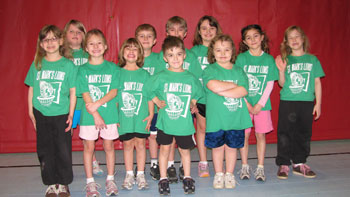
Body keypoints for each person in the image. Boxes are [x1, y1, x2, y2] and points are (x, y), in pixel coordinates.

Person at [146, 36, 203, 195]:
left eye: (179, 54)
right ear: (165, 58)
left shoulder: (190, 77)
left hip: (184, 123)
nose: (175, 58)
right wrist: (157, 101)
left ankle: (187, 177)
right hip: (166, 122)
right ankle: (163, 179)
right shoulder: (161, 76)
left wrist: (193, 103)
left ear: (184, 55)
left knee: (185, 151)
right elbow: (148, 89)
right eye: (171, 55)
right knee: (164, 150)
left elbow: (198, 92)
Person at [25, 24, 76, 197]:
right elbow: (31, 88)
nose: (50, 43)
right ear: (41, 44)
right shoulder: (37, 64)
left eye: (54, 38)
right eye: (45, 40)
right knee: (45, 150)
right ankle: (50, 183)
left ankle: (63, 183)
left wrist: (71, 113)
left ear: (61, 41)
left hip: (61, 112)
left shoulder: (68, 65)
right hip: (41, 112)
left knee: (62, 149)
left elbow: (73, 91)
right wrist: (31, 111)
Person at [275, 25, 324, 180]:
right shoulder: (285, 59)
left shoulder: (312, 59)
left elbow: (317, 83)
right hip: (288, 101)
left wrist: (318, 103)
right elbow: (282, 83)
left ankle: (299, 162)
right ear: (287, 42)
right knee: (285, 133)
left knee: (303, 133)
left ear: (303, 39)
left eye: (297, 36)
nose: (294, 40)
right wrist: (281, 70)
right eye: (291, 37)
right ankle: (283, 163)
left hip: (306, 102)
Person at [203, 34, 252, 189]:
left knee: (232, 148)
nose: (222, 53)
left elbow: (243, 91)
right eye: (218, 50)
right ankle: (218, 174)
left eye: (226, 50)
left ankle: (229, 174)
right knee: (217, 148)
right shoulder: (209, 69)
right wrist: (232, 86)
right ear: (212, 52)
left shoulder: (239, 70)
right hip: (216, 120)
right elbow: (212, 85)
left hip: (235, 119)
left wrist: (222, 89)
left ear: (233, 51)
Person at [159, 15, 203, 182]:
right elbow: (153, 84)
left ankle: (184, 170)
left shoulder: (191, 57)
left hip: (183, 109)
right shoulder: (161, 57)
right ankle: (169, 166)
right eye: (172, 30)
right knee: (166, 142)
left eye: (180, 30)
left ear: (185, 33)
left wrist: (193, 103)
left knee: (183, 143)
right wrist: (157, 101)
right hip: (166, 107)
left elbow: (196, 83)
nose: (176, 33)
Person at [77, 29, 119, 196]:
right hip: (89, 115)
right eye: (91, 44)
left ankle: (110, 179)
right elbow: (85, 93)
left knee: (109, 146)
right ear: (86, 48)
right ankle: (90, 182)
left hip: (108, 114)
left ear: (106, 46)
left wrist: (99, 105)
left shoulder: (113, 68)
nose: (96, 46)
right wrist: (95, 114)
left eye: (99, 43)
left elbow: (114, 91)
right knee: (89, 146)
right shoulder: (82, 70)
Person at [236, 24, 278, 182]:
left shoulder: (268, 59)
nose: (252, 40)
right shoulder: (241, 59)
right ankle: (245, 165)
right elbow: (239, 83)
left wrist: (259, 104)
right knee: (244, 135)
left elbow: (269, 84)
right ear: (244, 42)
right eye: (248, 37)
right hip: (244, 104)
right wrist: (247, 104)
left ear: (262, 37)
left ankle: (260, 167)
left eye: (255, 36)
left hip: (262, 105)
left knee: (260, 135)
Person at [63, 19, 104, 176]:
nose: (75, 35)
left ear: (84, 36)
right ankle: (65, 162)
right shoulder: (62, 55)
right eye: (71, 31)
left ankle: (93, 161)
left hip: (87, 102)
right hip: (70, 103)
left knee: (89, 136)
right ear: (65, 35)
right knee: (67, 133)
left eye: (79, 32)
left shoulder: (89, 53)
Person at [117, 38, 154, 190]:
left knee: (140, 144)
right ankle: (129, 174)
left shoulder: (145, 75)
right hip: (124, 116)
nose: (131, 52)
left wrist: (151, 114)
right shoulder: (117, 73)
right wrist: (114, 117)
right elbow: (114, 97)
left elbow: (150, 96)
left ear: (139, 53)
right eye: (128, 48)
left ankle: (140, 173)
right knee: (127, 144)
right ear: (122, 52)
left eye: (134, 49)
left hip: (141, 115)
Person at [191, 15, 223, 178]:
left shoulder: (222, 49)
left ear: (217, 30)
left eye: (211, 28)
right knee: (202, 129)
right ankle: (203, 162)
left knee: (218, 130)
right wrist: (191, 99)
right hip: (200, 98)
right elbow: (187, 76)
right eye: (204, 28)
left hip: (218, 98)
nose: (208, 32)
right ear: (198, 31)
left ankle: (219, 162)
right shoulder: (193, 52)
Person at [135, 24, 163, 180]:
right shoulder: (131, 58)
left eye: (149, 36)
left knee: (153, 136)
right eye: (141, 36)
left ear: (155, 41)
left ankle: (153, 163)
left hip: (156, 107)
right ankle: (138, 166)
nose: (145, 39)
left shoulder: (160, 59)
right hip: (137, 108)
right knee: (137, 139)